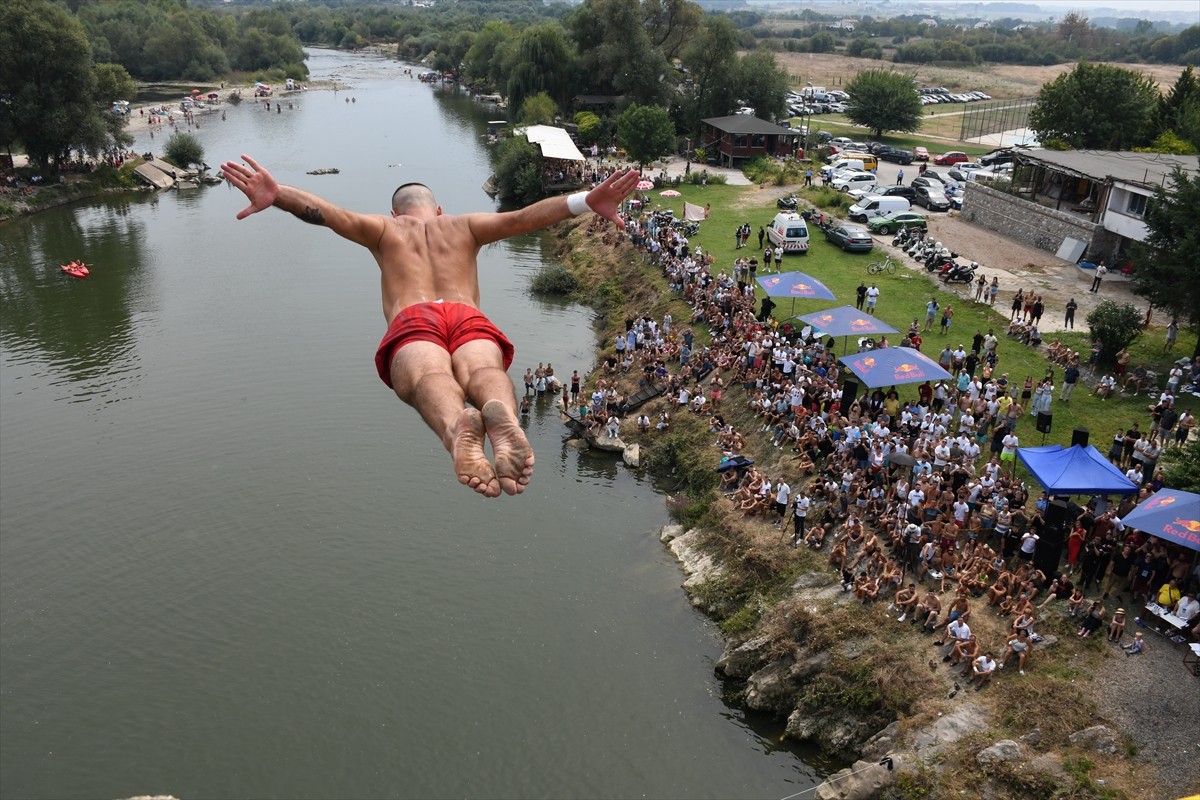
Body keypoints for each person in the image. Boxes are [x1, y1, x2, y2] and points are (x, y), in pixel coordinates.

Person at [221, 154, 638, 497]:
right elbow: (525, 218)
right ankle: (500, 416)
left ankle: (458, 429)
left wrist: (278, 196)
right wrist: (587, 199)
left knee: (425, 377)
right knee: (484, 372)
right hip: (466, 314)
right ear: (438, 210)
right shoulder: (464, 224)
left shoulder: (384, 228)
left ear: (395, 212)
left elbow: (327, 215)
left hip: (415, 317)